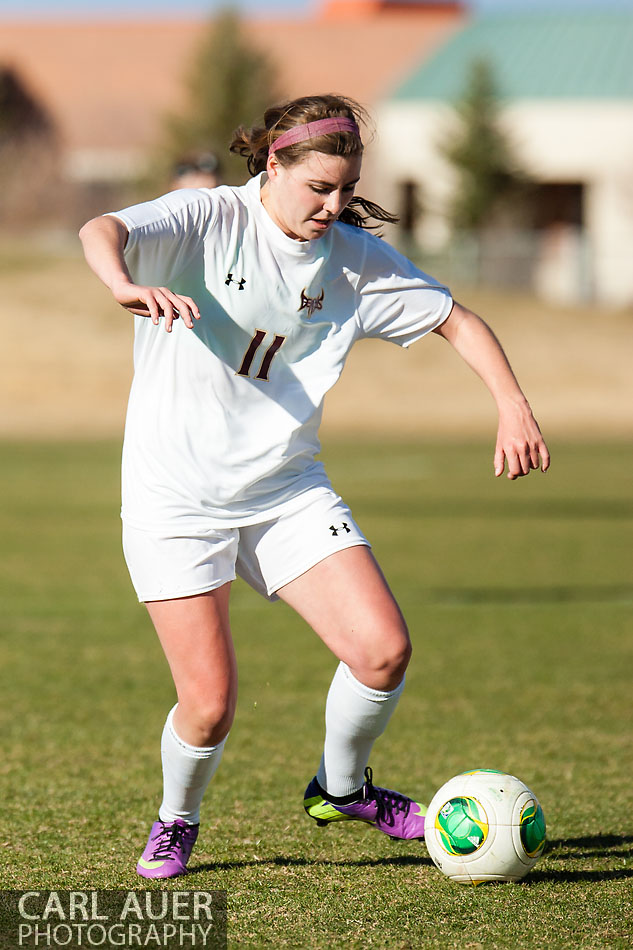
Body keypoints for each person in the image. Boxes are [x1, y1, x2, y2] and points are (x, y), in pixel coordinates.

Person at [79, 93, 549, 880]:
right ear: (273, 165)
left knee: (382, 651)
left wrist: (511, 403)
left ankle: (342, 788)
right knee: (209, 706)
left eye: (344, 189)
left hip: (285, 491)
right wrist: (121, 284)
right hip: (176, 500)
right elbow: (102, 230)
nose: (332, 207)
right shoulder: (208, 218)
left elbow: (457, 321)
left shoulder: (355, 260)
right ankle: (177, 818)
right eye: (316, 189)